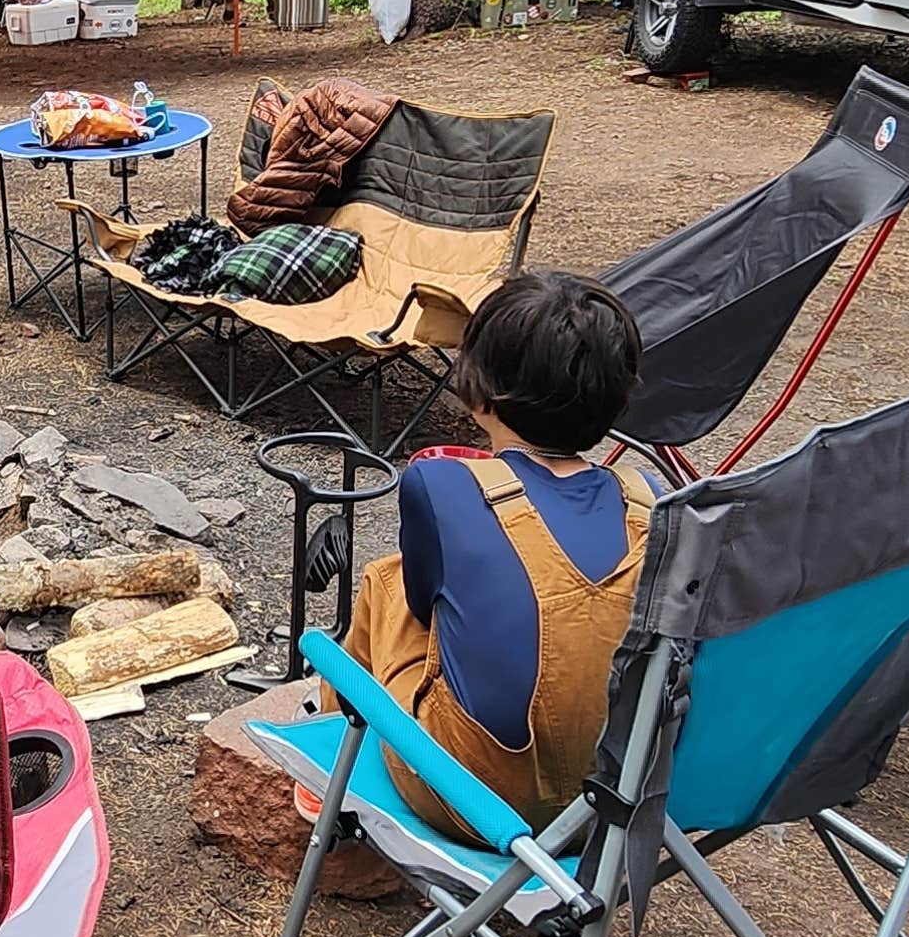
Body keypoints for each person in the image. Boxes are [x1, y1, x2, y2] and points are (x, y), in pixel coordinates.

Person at [226, 271, 650, 838]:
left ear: (480, 394)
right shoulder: (651, 497)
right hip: (617, 799)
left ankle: (331, 753)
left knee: (385, 580)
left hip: (475, 799)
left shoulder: (443, 485)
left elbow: (425, 609)